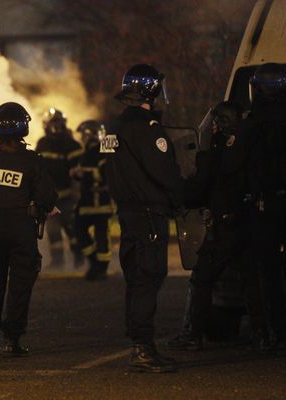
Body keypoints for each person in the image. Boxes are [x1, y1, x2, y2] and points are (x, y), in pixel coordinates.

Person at [102, 64, 184, 372]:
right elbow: (163, 171)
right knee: (148, 277)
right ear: (151, 90)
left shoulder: (113, 127)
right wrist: (182, 197)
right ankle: (142, 348)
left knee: (136, 277)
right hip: (149, 212)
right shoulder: (146, 127)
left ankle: (138, 340)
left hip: (127, 212)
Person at [0, 102, 58, 357]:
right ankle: (12, 340)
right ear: (24, 128)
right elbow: (48, 196)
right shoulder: (32, 162)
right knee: (19, 288)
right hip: (22, 232)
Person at [166, 101, 250, 351]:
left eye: (218, 121)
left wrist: (180, 195)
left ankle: (192, 333)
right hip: (252, 222)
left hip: (224, 227)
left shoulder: (217, 151)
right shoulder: (254, 144)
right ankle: (267, 335)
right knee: (257, 280)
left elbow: (200, 185)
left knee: (202, 279)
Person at [244, 63, 286, 357]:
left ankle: (277, 333)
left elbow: (247, 164)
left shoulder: (257, 119)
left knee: (268, 272)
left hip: (267, 204)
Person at [35, 108, 84, 268]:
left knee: (73, 229)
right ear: (46, 125)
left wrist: (78, 195)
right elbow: (37, 169)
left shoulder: (72, 145)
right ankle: (58, 262)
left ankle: (79, 259)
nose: (56, 127)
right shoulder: (42, 144)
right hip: (49, 199)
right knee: (53, 231)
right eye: (53, 123)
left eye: (58, 123)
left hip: (69, 197)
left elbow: (80, 173)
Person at [71, 120, 114, 280]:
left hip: (101, 203)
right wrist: (76, 174)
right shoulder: (86, 154)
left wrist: (83, 175)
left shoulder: (106, 153)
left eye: (86, 134)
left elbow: (108, 176)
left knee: (102, 235)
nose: (85, 138)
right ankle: (95, 262)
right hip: (87, 203)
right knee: (79, 231)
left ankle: (101, 268)